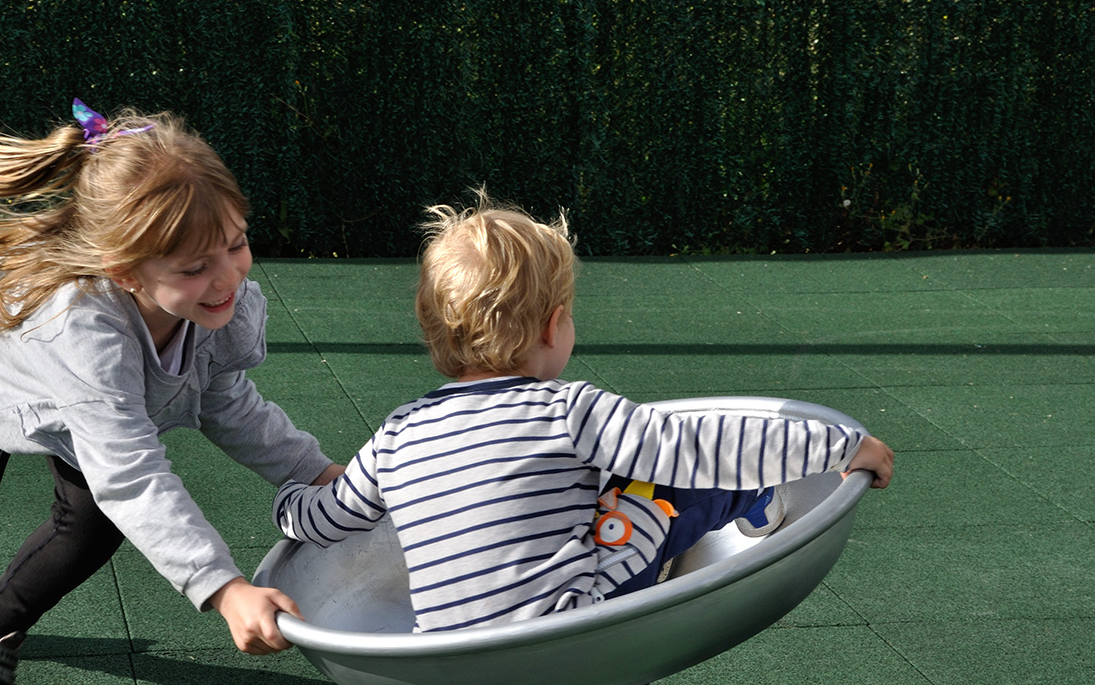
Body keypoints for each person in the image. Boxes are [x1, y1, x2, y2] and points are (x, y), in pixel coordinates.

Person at [0, 100, 344, 685]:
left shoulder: (221, 301)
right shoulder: (85, 331)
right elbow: (131, 475)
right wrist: (225, 589)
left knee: (91, 525)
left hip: (73, 394)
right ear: (124, 270)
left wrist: (313, 469)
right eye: (194, 268)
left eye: (237, 244)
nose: (227, 278)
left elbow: (222, 398)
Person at [274, 198, 893, 632]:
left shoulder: (397, 432)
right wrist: (841, 445)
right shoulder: (566, 408)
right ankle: (757, 499)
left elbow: (328, 517)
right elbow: (694, 443)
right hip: (568, 630)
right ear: (552, 326)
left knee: (600, 482)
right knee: (670, 482)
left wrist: (288, 502)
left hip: (449, 651)